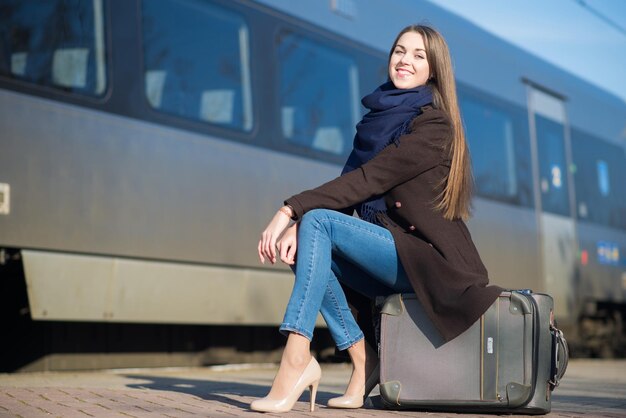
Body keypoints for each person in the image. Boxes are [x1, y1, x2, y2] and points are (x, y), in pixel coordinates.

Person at [251, 24, 502, 413]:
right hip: (388, 251)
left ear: (433, 70)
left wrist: (290, 211)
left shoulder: (434, 126)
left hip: (425, 260)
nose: (405, 61)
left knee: (316, 222)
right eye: (400, 51)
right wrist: (299, 227)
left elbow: (371, 180)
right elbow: (349, 188)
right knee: (306, 243)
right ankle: (365, 360)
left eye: (419, 55)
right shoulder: (374, 121)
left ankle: (295, 360)